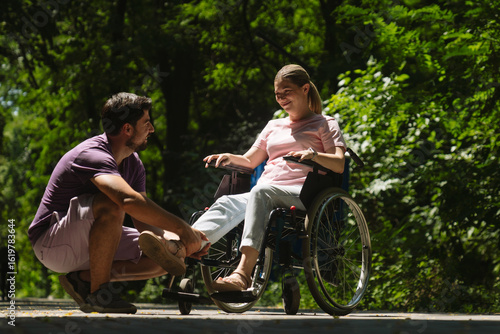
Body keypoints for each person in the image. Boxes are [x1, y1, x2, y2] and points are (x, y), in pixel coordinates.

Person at [28, 92, 209, 314]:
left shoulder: (134, 164)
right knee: (113, 202)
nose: (151, 129)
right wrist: (182, 227)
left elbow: (144, 225)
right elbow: (128, 200)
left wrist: (180, 240)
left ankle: (82, 280)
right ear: (127, 129)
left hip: (89, 244)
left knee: (168, 255)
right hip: (51, 243)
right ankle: (100, 294)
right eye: (146, 122)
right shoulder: (92, 154)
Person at [192, 64, 347, 291]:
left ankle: (243, 274)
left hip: (304, 192)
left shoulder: (325, 123)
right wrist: (228, 156)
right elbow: (250, 161)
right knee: (227, 201)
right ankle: (182, 245)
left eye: (287, 92)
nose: (281, 98)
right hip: (265, 193)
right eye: (277, 94)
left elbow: (339, 163)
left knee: (261, 192)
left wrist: (313, 155)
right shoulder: (273, 126)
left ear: (305, 89)